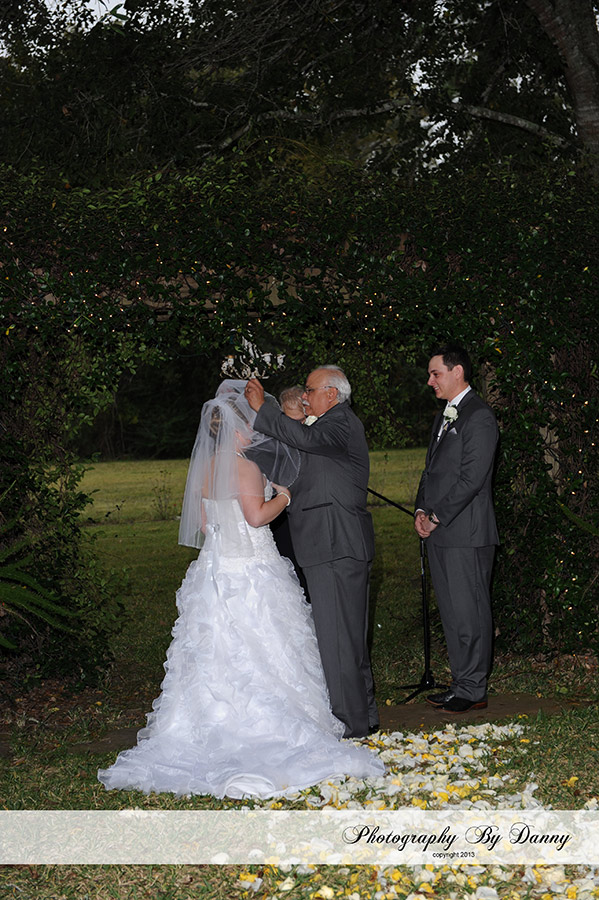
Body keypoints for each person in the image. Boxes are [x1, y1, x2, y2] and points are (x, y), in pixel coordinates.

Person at [98, 380, 383, 799]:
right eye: (251, 422)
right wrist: (285, 496)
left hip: (214, 571)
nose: (257, 429)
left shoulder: (208, 468)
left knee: (216, 653)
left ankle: (208, 722)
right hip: (252, 570)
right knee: (266, 647)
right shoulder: (245, 466)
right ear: (238, 428)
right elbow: (256, 517)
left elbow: (202, 523)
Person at [245, 366, 379, 739]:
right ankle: (364, 716)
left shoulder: (339, 423)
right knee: (347, 638)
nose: (304, 396)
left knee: (338, 641)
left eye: (310, 390)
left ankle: (349, 726)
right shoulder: (324, 431)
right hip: (332, 544)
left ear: (332, 394)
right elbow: (292, 460)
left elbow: (304, 439)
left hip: (335, 543)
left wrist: (263, 408)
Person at [414, 344, 499, 713]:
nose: (430, 381)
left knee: (470, 612)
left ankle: (474, 689)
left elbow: (471, 480)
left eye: (436, 373)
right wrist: (421, 510)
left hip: (467, 533)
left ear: (457, 371)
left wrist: (436, 517)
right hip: (441, 532)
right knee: (451, 613)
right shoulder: (443, 417)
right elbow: (430, 471)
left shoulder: (479, 417)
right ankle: (461, 683)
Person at [270, 385, 310, 598]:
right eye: (291, 422)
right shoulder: (270, 443)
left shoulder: (315, 438)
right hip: (282, 519)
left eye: (302, 421)